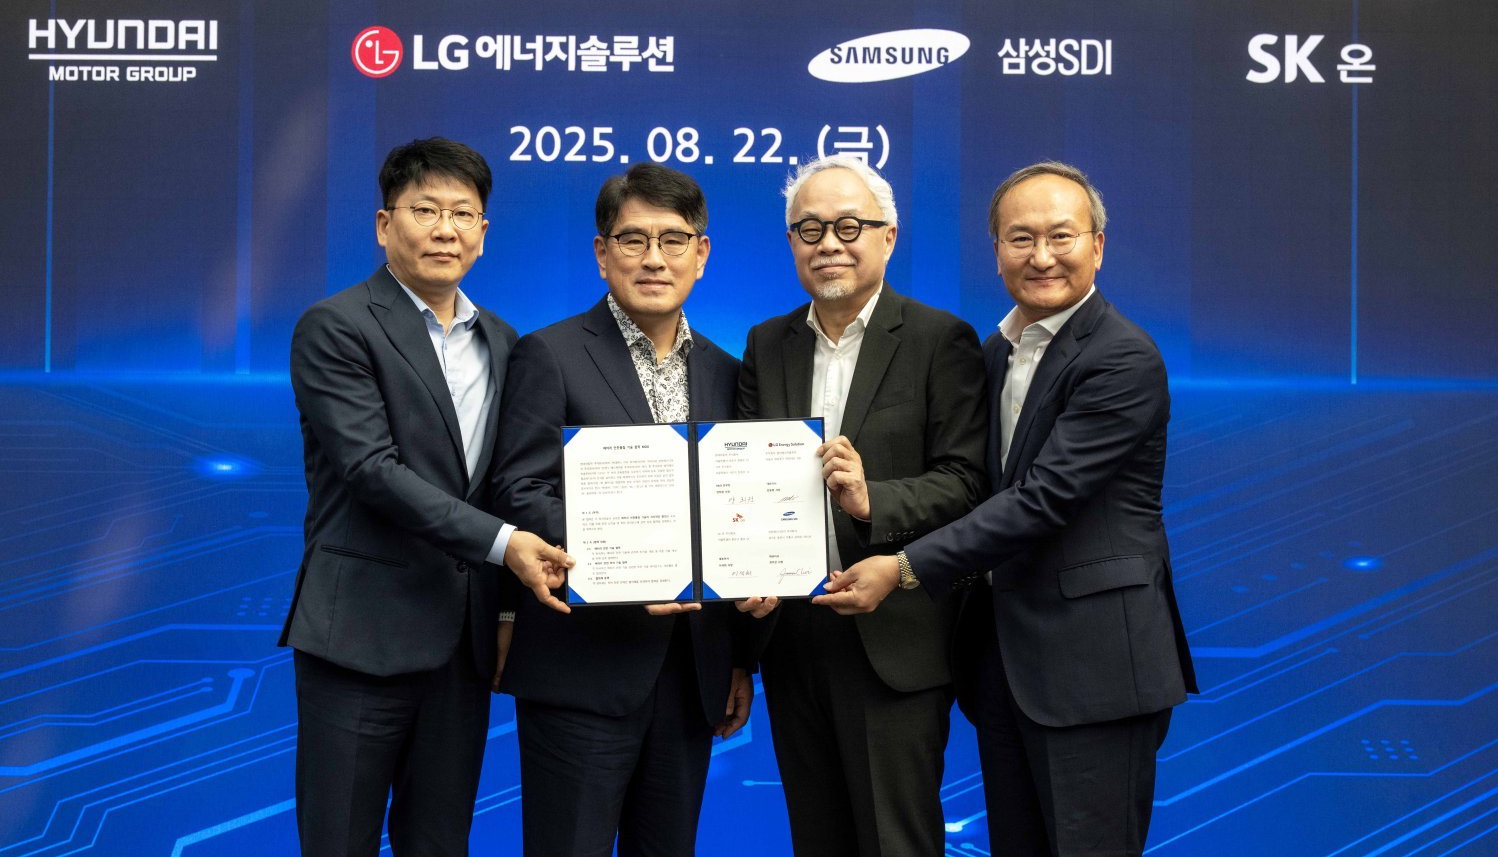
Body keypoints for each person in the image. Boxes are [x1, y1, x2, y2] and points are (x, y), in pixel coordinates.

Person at [818, 161, 1199, 857]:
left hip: (1094, 672)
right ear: (995, 252)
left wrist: (901, 567)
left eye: (1062, 236)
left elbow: (1041, 500)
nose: (1042, 255)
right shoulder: (993, 351)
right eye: (1021, 238)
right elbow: (966, 482)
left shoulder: (1123, 358)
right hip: (1004, 669)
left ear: (1098, 246)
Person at [280, 137, 574, 857]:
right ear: (385, 225)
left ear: (483, 233)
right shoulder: (337, 326)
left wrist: (506, 608)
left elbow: (506, 484)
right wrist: (507, 547)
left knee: (440, 842)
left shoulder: (504, 341)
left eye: (463, 214)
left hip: (460, 646)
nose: (446, 229)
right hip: (360, 636)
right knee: (338, 841)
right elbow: (371, 470)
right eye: (426, 210)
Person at [490, 163, 754, 857]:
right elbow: (519, 489)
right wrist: (625, 566)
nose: (654, 258)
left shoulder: (729, 372)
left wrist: (739, 657)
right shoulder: (548, 353)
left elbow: (739, 508)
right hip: (583, 666)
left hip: (691, 674)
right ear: (602, 253)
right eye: (633, 239)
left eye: (674, 239)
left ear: (702, 252)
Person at [738, 154, 988, 857]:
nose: (829, 243)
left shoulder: (940, 339)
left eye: (849, 226)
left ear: (889, 236)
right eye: (809, 228)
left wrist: (871, 497)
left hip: (895, 635)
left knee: (894, 842)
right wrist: (742, 568)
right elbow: (742, 481)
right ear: (791, 241)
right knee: (817, 839)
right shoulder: (767, 342)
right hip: (791, 635)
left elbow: (967, 482)